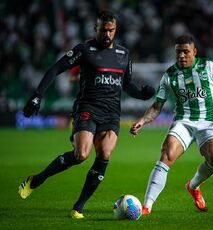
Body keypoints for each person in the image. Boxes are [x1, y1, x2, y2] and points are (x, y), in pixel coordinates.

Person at [18, 10, 155, 219]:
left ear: (115, 29)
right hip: (87, 108)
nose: (107, 34)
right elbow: (55, 69)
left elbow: (127, 85)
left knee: (105, 154)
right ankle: (37, 180)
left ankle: (78, 207)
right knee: (81, 155)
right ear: (95, 29)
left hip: (111, 113)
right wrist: (37, 95)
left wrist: (142, 95)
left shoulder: (124, 54)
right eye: (103, 30)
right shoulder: (84, 49)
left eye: (111, 30)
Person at [130, 34, 213, 214]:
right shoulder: (169, 75)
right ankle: (147, 206)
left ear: (194, 52)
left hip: (208, 123)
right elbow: (157, 105)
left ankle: (193, 186)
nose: (182, 56)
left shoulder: (208, 66)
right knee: (166, 155)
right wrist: (143, 121)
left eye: (186, 51)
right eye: (178, 52)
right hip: (183, 122)